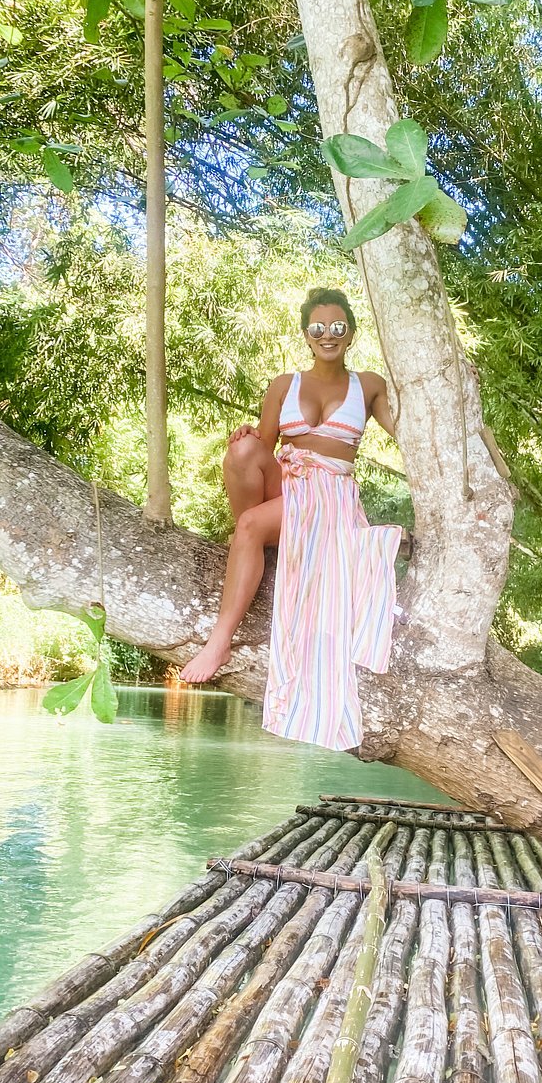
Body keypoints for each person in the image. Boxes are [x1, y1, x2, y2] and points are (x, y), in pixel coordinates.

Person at [179, 288, 403, 751]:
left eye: (337, 327)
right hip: (288, 483)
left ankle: (221, 637)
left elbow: (407, 432)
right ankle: (259, 538)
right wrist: (248, 436)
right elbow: (263, 446)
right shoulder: (284, 384)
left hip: (330, 493)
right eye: (318, 327)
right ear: (306, 334)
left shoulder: (368, 384)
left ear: (351, 333)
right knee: (242, 451)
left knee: (249, 526)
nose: (327, 335)